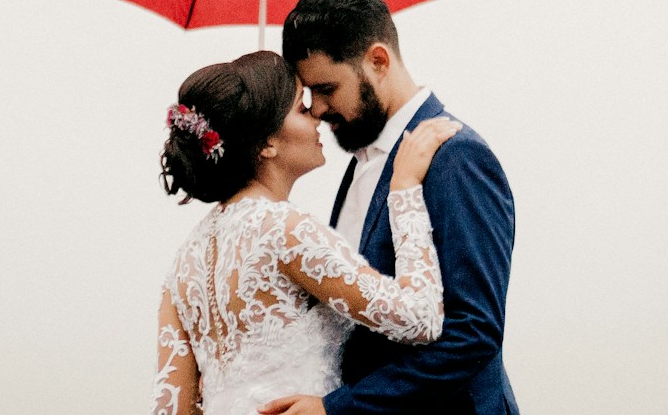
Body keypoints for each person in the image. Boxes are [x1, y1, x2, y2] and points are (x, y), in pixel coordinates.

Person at [154, 50, 464, 415]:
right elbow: (419, 318)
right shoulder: (284, 231)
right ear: (267, 143)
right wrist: (405, 189)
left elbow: (171, 409)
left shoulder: (182, 266)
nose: (317, 116)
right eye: (301, 110)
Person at [263, 0, 519, 415]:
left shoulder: (456, 157)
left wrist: (338, 408)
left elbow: (473, 334)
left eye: (326, 89)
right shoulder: (358, 157)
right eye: (308, 95)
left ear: (377, 61)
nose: (318, 109)